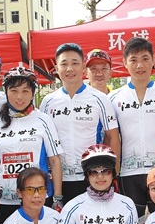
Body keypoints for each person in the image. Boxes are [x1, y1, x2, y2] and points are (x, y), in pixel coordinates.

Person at [108, 37, 155, 222]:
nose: (139, 65)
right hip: (128, 174)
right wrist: (113, 173)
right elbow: (111, 138)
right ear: (125, 62)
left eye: (145, 59)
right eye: (133, 60)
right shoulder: (114, 97)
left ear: (153, 60)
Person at [40, 43, 120, 204]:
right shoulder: (48, 102)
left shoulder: (99, 99)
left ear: (83, 67)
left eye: (75, 63)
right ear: (56, 68)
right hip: (59, 179)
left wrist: (113, 173)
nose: (69, 69)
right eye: (64, 64)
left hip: (92, 175)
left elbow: (113, 137)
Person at [0, 65, 63, 224]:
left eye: (25, 91)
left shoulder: (43, 120)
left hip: (37, 196)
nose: (19, 97)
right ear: (5, 92)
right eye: (14, 91)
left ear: (32, 93)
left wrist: (57, 197)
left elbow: (55, 160)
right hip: (5, 199)